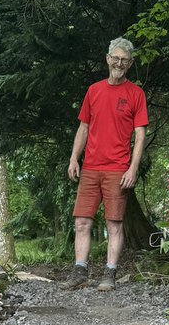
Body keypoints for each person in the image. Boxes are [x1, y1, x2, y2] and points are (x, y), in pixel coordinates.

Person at [61, 38, 148, 292]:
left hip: (117, 168)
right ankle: (80, 272)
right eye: (116, 58)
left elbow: (140, 135)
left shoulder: (136, 94)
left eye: (125, 60)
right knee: (82, 222)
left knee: (114, 223)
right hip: (90, 167)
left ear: (130, 64)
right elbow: (84, 127)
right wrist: (74, 158)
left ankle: (109, 273)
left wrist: (132, 168)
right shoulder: (94, 90)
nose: (119, 63)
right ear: (107, 59)